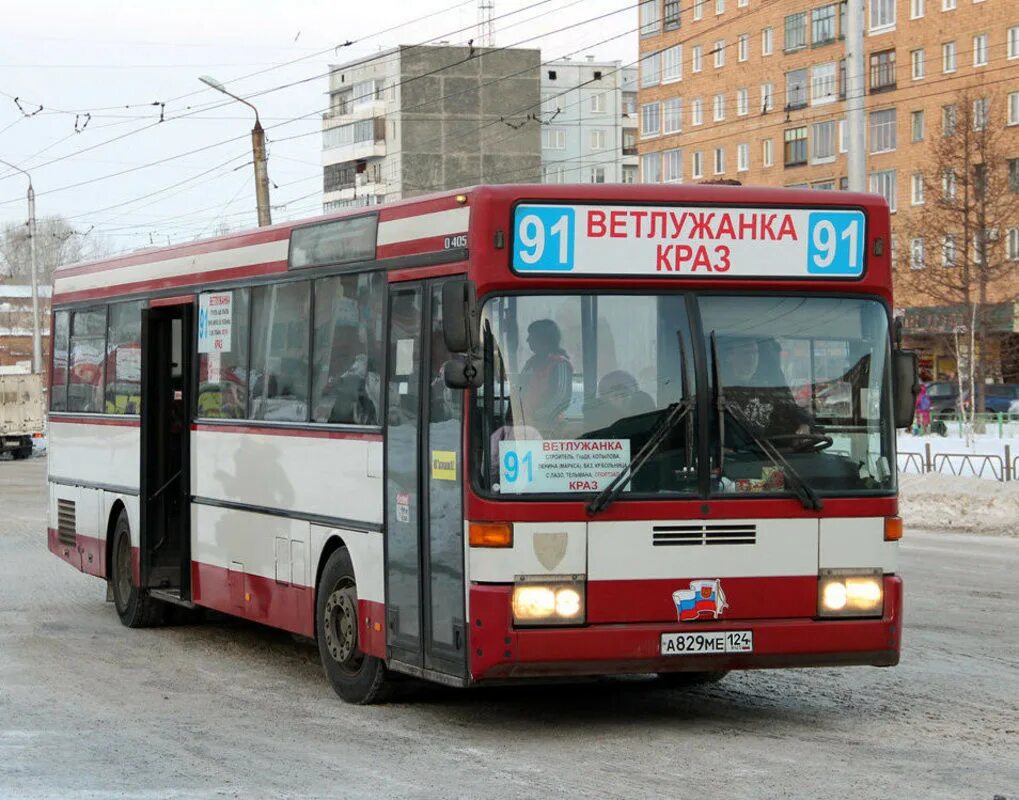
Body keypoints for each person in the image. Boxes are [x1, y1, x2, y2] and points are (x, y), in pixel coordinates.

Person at [719, 336, 812, 443]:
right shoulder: (719, 392)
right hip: (741, 457)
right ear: (729, 357)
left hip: (775, 455)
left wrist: (804, 424)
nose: (752, 357)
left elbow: (790, 409)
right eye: (746, 353)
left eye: (755, 353)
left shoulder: (767, 389)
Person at [517, 319, 573, 432]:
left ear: (543, 339)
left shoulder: (560, 364)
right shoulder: (531, 363)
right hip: (526, 424)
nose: (527, 340)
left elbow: (562, 397)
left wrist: (541, 416)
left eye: (531, 336)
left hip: (550, 428)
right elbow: (519, 390)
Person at [587, 370, 655, 431]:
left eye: (625, 395)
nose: (621, 400)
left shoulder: (645, 413)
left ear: (634, 395)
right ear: (605, 399)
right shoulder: (597, 418)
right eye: (615, 396)